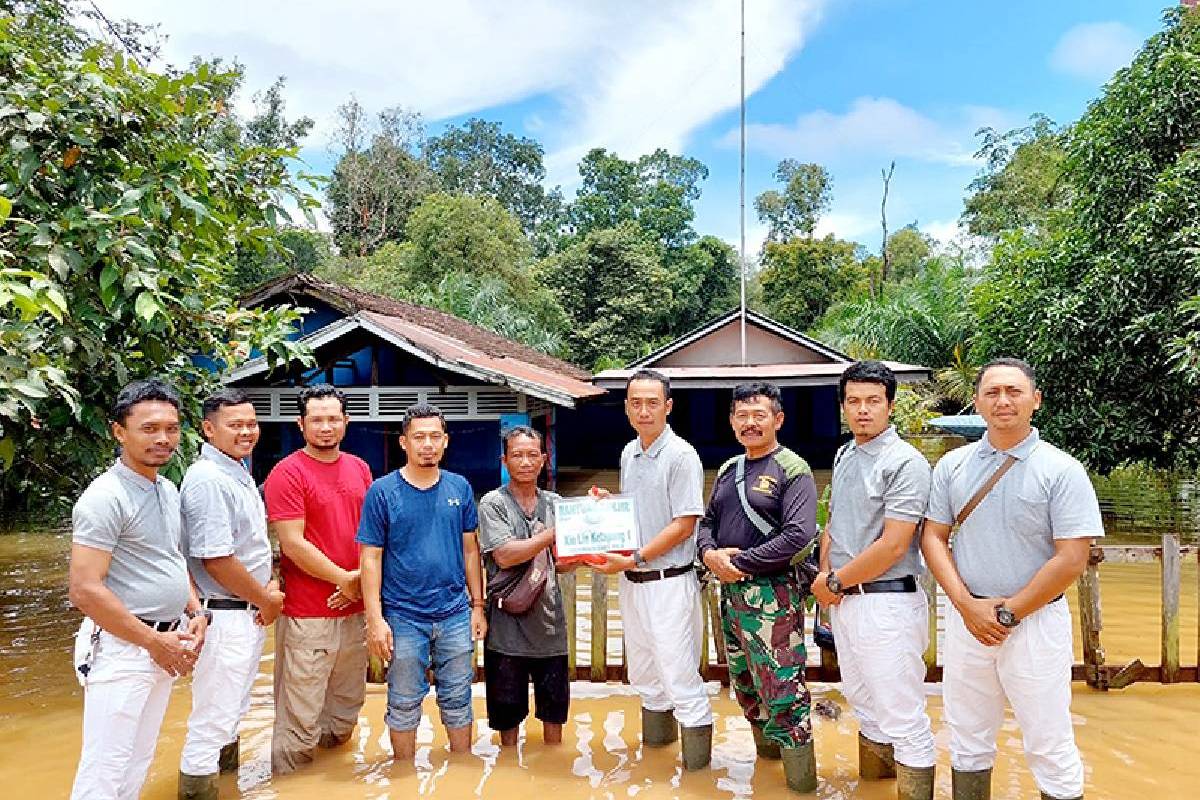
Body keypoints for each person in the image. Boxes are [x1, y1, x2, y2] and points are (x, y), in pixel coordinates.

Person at [921, 358, 1102, 800]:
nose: (1003, 401)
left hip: (1034, 623)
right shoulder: (952, 466)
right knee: (965, 738)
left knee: (1048, 739)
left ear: (1035, 401)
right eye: (992, 392)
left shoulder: (1062, 469)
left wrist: (1006, 612)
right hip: (968, 621)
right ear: (978, 403)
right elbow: (933, 537)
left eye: (1014, 391)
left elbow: (1072, 557)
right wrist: (965, 606)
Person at [67, 378, 208, 800]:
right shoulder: (105, 497)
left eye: (171, 427)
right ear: (118, 431)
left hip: (163, 641)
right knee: (104, 771)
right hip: (121, 647)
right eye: (149, 429)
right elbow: (84, 589)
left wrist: (196, 612)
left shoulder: (165, 489)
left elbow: (171, 559)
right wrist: (153, 642)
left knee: (138, 761)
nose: (163, 438)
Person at [812, 361, 935, 800]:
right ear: (843, 406)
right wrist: (829, 581)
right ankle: (876, 790)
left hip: (888, 603)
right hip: (845, 599)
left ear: (891, 405)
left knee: (904, 717)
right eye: (854, 401)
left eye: (873, 401)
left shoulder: (905, 462)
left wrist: (836, 582)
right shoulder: (845, 454)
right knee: (865, 706)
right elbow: (834, 524)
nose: (862, 411)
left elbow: (894, 545)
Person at [697, 381, 819, 793]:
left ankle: (800, 786)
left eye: (759, 415)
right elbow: (707, 522)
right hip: (731, 599)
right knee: (747, 687)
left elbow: (798, 536)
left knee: (785, 695)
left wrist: (738, 563)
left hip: (774, 598)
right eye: (742, 415)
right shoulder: (731, 469)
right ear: (732, 421)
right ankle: (768, 775)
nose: (750, 423)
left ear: (778, 419)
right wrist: (709, 554)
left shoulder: (793, 469)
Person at [592, 368, 713, 770]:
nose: (644, 411)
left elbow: (685, 523)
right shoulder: (630, 452)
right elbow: (639, 511)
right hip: (633, 581)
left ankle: (697, 778)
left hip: (668, 582)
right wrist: (610, 504)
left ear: (668, 407)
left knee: (680, 679)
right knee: (645, 676)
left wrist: (636, 558)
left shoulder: (681, 456)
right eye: (636, 403)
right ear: (626, 408)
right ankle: (656, 766)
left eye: (653, 403)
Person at [358, 403, 487, 761]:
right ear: (404, 442)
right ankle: (403, 775)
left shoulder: (459, 488)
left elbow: (471, 551)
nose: (427, 444)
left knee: (460, 698)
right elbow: (370, 558)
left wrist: (478, 606)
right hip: (402, 617)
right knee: (402, 700)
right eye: (419, 437)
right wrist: (375, 619)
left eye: (434, 436)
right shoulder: (382, 492)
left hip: (456, 614)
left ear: (445, 442)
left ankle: (462, 773)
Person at [178, 388, 285, 799]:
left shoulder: (236, 473)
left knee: (232, 713)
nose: (246, 432)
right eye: (234, 425)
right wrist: (265, 597)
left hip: (245, 612)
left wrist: (266, 590)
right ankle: (200, 788)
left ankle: (228, 786)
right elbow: (215, 559)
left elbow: (248, 547)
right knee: (211, 723)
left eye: (251, 423)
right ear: (208, 429)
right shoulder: (207, 480)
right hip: (222, 615)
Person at [264, 384, 373, 774]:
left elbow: (371, 535)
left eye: (333, 419)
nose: (326, 427)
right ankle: (291, 787)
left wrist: (358, 583)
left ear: (345, 422)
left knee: (345, 712)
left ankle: (331, 782)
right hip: (310, 613)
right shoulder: (287, 473)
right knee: (300, 719)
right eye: (317, 420)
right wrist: (343, 579)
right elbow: (292, 543)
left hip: (356, 608)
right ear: (301, 424)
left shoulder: (360, 467)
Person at [477, 425, 572, 747]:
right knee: (506, 718)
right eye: (517, 455)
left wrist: (592, 533)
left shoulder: (556, 503)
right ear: (504, 460)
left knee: (554, 715)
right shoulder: (493, 503)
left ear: (544, 460)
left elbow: (563, 562)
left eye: (533, 455)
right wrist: (555, 533)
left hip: (550, 627)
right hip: (506, 631)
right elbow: (504, 555)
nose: (526, 462)